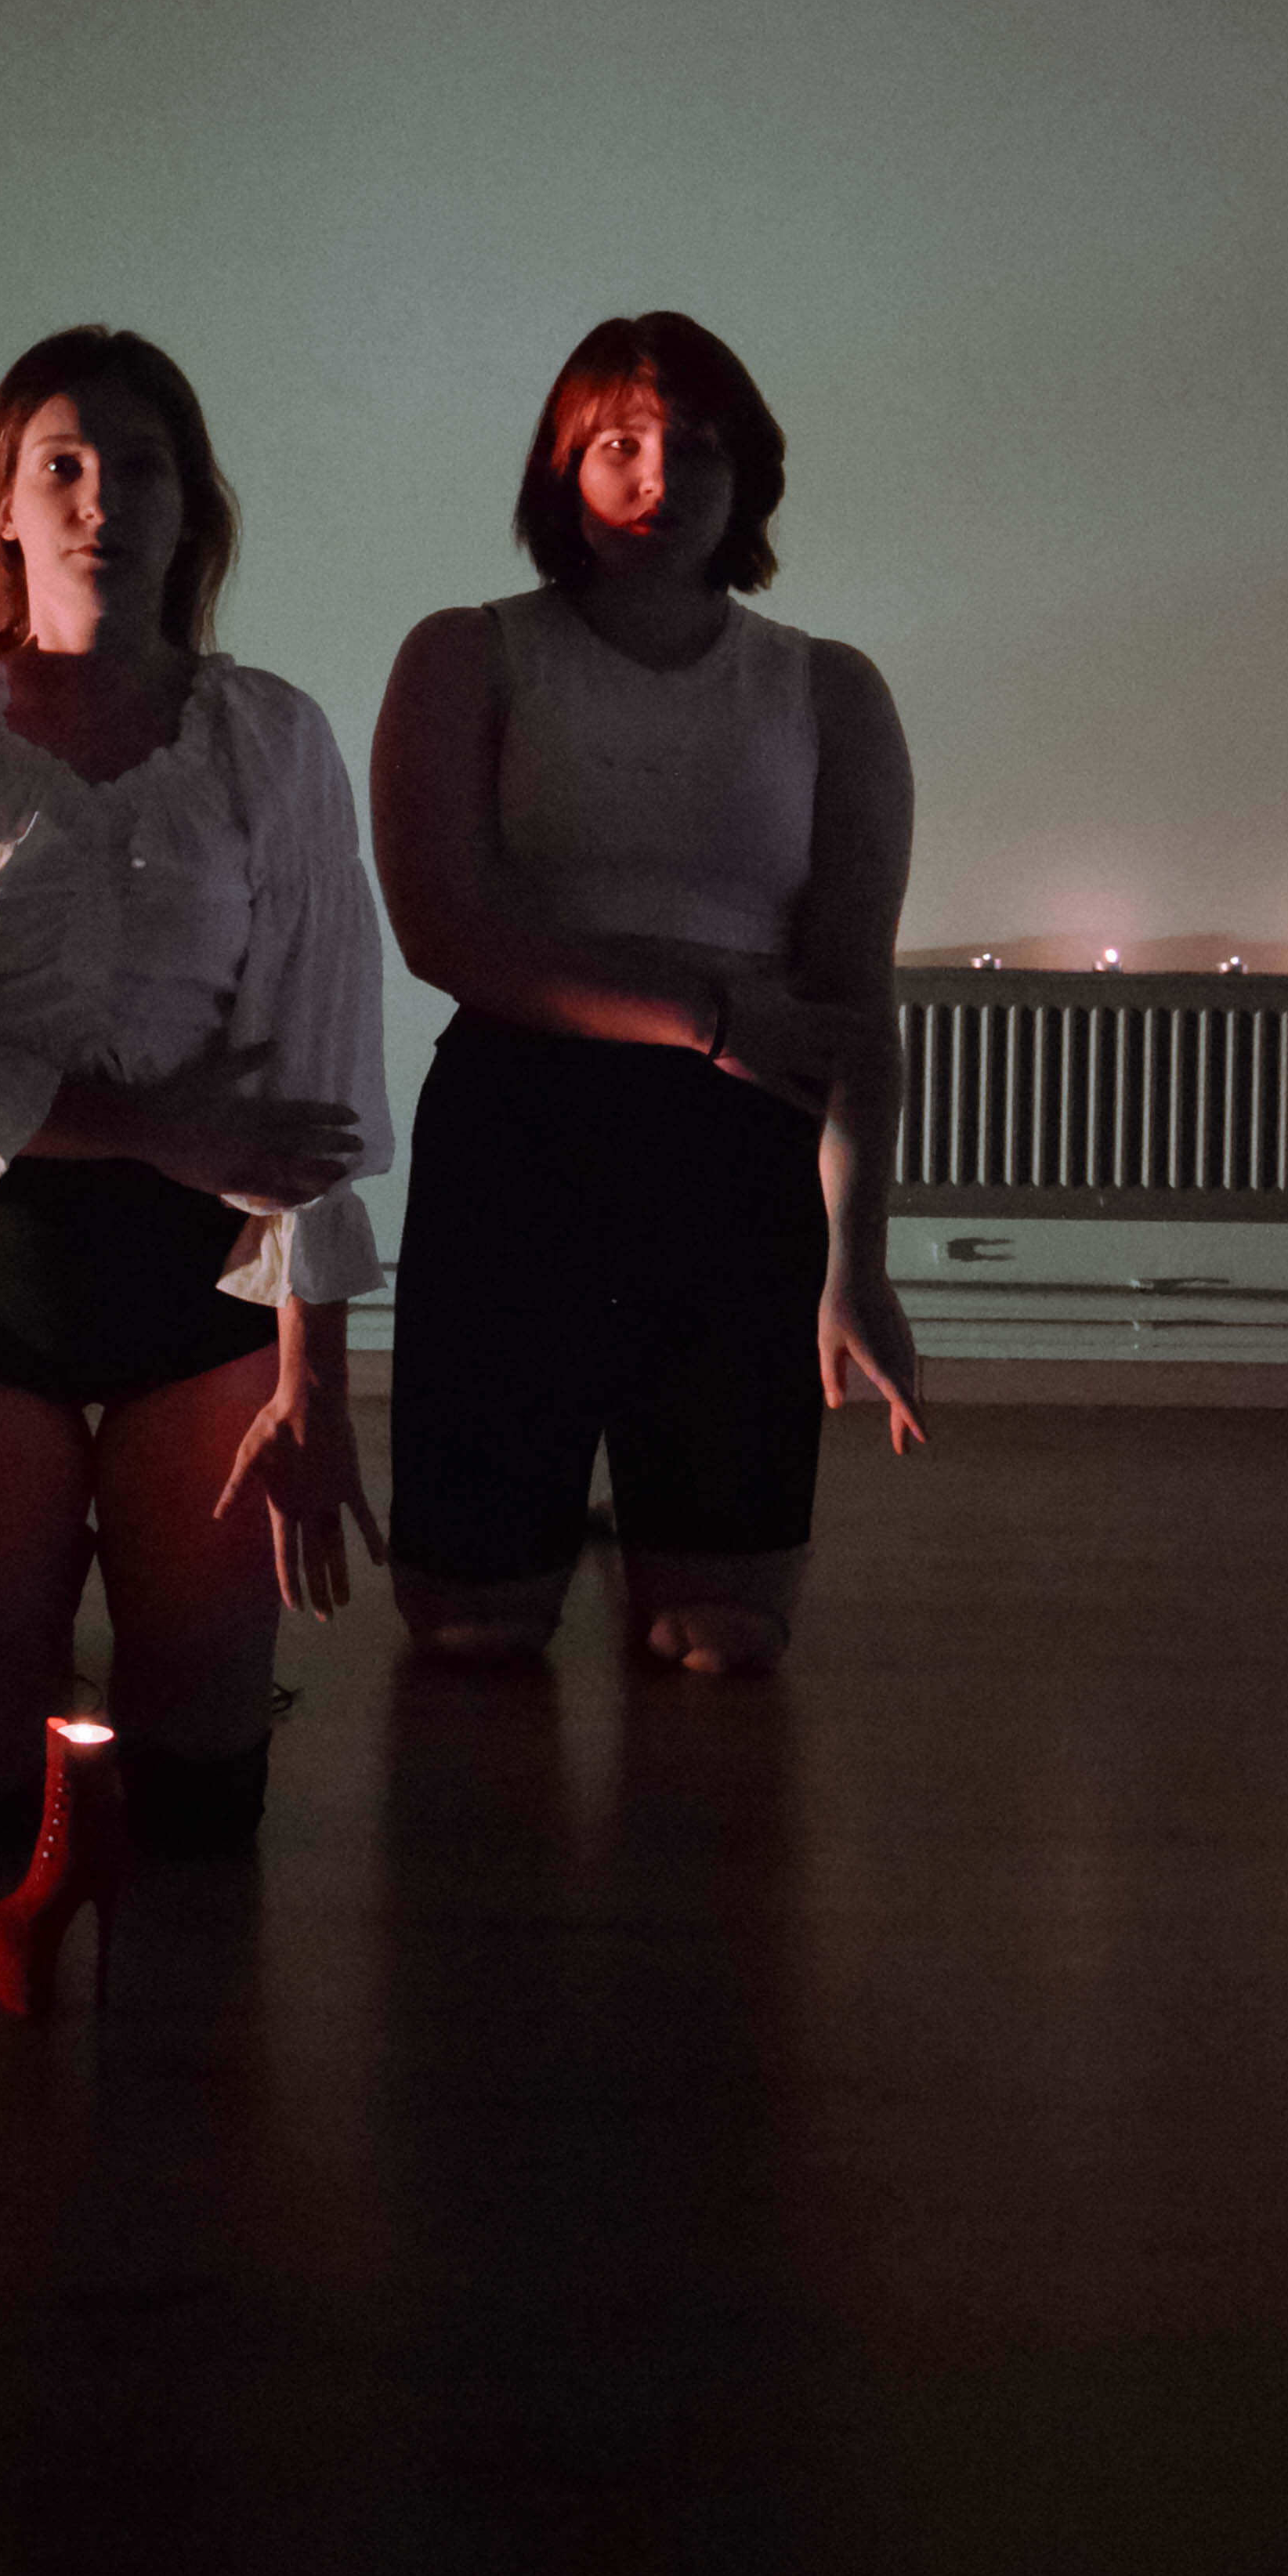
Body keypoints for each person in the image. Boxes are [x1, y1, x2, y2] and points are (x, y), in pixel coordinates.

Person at [0, 324, 390, 1852]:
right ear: (4, 503)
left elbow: (314, 1085)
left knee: (200, 1772)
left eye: (141, 465)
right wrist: (155, 1128)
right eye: (60, 463)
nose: (100, 498)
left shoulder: (271, 738)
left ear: (192, 505)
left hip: (208, 1296)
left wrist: (315, 1382)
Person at [371, 311, 921, 1681]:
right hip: (521, 1139)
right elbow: (442, 932)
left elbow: (850, 999)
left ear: (750, 476)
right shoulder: (469, 653)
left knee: (718, 1638)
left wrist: (857, 1262)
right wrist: (700, 1015)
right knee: (473, 1627)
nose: (659, 476)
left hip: (735, 1160)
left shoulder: (825, 688)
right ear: (560, 466)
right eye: (619, 442)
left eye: (697, 446)